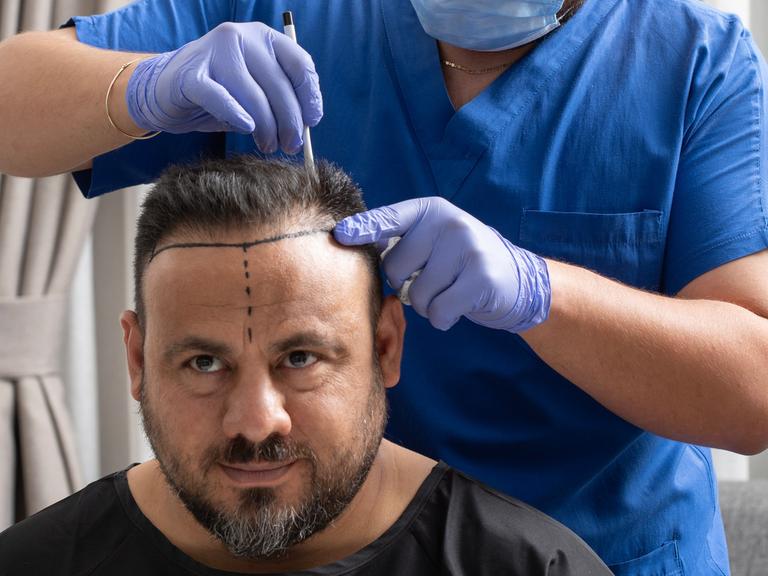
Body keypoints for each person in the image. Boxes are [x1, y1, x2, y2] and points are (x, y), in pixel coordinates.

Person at [1, 0, 768, 573]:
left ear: (389, 338)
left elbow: (754, 387)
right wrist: (147, 84)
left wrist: (543, 293)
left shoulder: (696, 60)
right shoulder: (280, 11)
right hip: (319, 537)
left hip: (597, 549)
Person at [0, 157, 610, 575]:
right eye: (205, 362)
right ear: (137, 359)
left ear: (386, 348)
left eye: (299, 358)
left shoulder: (530, 566)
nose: (256, 424)